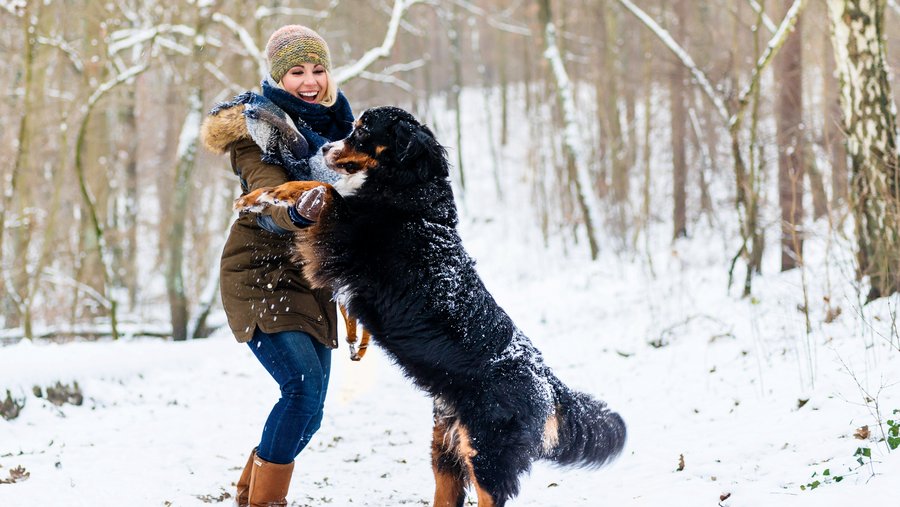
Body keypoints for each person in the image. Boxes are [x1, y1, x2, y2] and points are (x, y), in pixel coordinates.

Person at [199, 25, 354, 507]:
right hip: (261, 274)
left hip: (310, 281)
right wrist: (296, 212)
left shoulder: (339, 133)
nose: (309, 81)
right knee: (301, 391)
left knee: (313, 411)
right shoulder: (256, 129)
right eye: (296, 71)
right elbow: (264, 198)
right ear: (277, 76)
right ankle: (265, 502)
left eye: (317, 69)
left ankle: (249, 491)